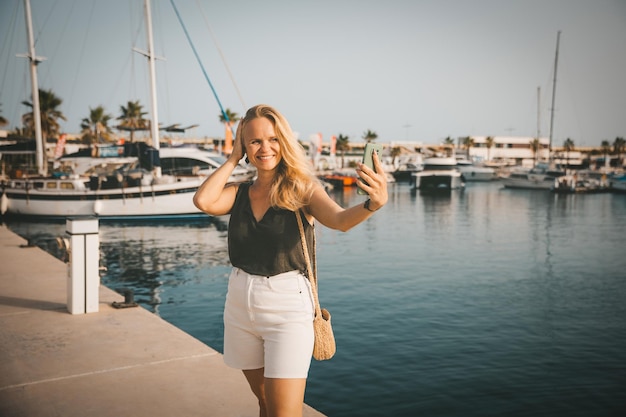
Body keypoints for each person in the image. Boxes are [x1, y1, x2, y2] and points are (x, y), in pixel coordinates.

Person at [193, 104, 388, 417]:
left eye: (272, 139)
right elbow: (203, 200)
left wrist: (372, 205)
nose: (265, 147)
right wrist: (232, 158)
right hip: (240, 304)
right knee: (265, 403)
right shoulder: (240, 193)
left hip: (287, 307)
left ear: (284, 140)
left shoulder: (303, 189)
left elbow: (339, 220)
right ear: (245, 145)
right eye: (254, 141)